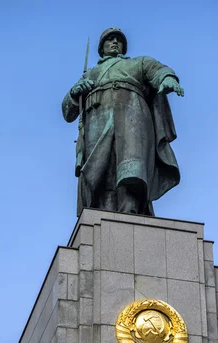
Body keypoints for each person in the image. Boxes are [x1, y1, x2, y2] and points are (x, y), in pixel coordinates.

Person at [62, 28, 184, 216]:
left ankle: (130, 210)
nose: (115, 42)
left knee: (131, 167)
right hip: (97, 119)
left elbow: (159, 70)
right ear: (101, 48)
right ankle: (102, 214)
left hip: (132, 115)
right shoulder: (90, 74)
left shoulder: (138, 63)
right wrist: (75, 92)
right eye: (109, 40)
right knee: (100, 170)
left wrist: (167, 79)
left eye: (118, 40)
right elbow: (67, 112)